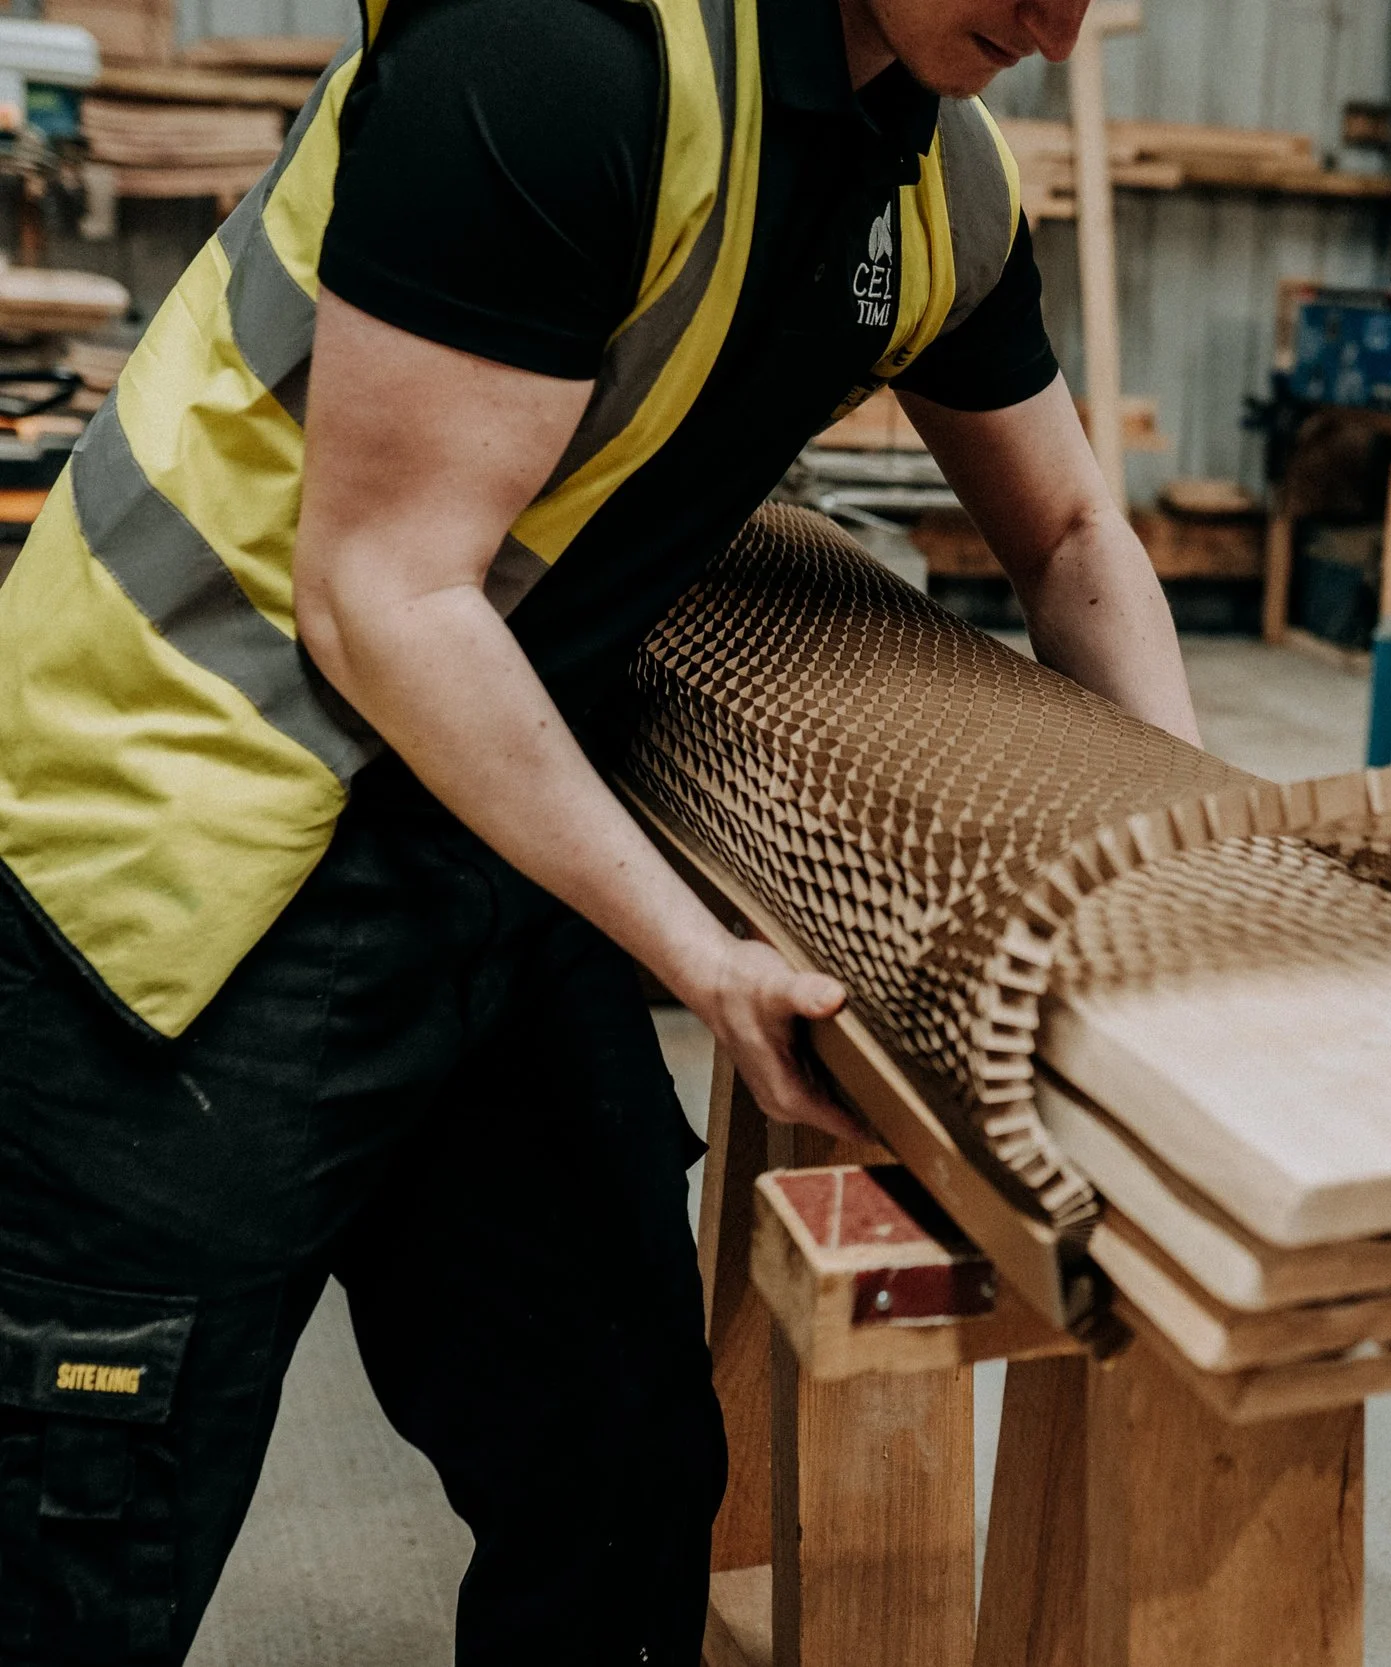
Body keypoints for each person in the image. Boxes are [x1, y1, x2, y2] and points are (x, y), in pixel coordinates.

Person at [0, 0, 1196, 1657]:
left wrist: (1201, 863)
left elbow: (1068, 530)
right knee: (84, 1532)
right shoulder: (557, 51)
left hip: (482, 823)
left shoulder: (940, 182)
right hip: (178, 830)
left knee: (618, 1469)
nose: (1062, 32)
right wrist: (701, 955)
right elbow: (387, 592)